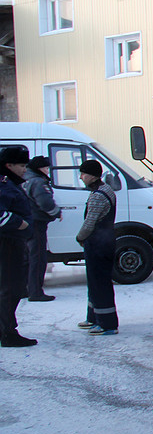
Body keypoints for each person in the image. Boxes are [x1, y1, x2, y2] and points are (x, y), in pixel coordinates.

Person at [0, 147, 38, 347]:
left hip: (12, 243)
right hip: (8, 244)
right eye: (22, 165)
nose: (25, 170)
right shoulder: (5, 185)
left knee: (11, 289)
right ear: (9, 165)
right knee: (10, 289)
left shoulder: (10, 183)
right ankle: (7, 334)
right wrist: (20, 223)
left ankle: (5, 330)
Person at [76, 159, 118, 336]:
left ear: (92, 175)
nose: (81, 177)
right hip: (104, 242)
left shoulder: (98, 195)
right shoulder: (105, 189)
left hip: (99, 245)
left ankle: (107, 324)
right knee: (94, 282)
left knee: (99, 283)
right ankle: (93, 317)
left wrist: (80, 237)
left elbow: (89, 223)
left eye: (83, 173)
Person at [24, 156, 61, 302]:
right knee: (38, 258)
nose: (48, 171)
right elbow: (45, 203)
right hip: (37, 223)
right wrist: (57, 212)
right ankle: (35, 292)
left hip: (27, 223)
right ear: (40, 168)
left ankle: (25, 289)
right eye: (46, 168)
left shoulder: (25, 179)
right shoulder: (38, 182)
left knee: (27, 258)